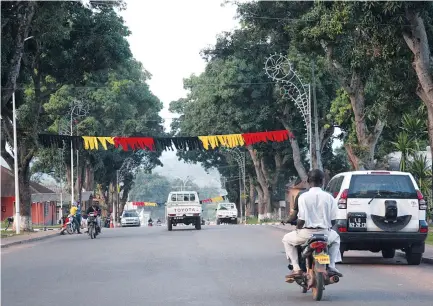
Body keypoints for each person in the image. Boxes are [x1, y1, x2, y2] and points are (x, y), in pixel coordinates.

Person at [282, 169, 342, 279]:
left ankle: (296, 268)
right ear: (322, 181)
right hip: (325, 233)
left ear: (308, 181)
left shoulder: (302, 196)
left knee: (286, 239)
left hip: (306, 233)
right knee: (336, 239)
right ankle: (332, 266)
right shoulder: (329, 197)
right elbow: (333, 221)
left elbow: (302, 220)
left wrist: (298, 228)